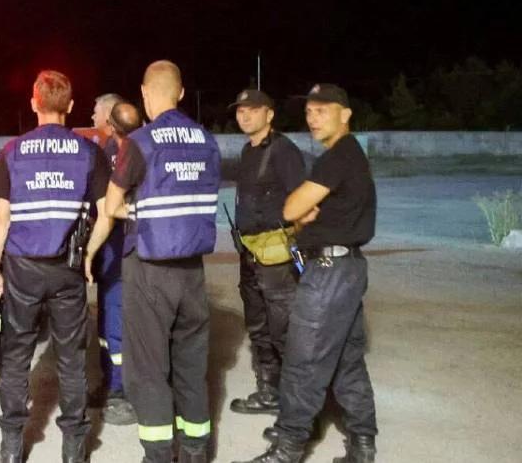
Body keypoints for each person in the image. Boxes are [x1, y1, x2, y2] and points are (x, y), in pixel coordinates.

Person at [234, 84, 378, 463]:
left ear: (345, 114)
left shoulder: (337, 156)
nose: (313, 118)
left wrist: (300, 213)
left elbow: (293, 205)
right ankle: (363, 444)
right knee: (347, 361)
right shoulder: (348, 154)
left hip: (329, 271)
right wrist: (304, 216)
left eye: (322, 110)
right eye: (310, 112)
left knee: (302, 360)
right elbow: (302, 211)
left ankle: (288, 446)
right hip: (347, 267)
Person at [0, 70, 116, 463]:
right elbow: (107, 212)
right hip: (68, 270)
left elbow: (0, 218)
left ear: (34, 103)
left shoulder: (12, 151)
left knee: (16, 353)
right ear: (71, 107)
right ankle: (74, 447)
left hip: (22, 267)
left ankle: (12, 445)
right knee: (71, 357)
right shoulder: (88, 152)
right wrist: (91, 252)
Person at [103, 60, 220, 463]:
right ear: (182, 93)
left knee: (149, 369)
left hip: (150, 270)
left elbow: (113, 205)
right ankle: (195, 451)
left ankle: (157, 455)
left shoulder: (140, 142)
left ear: (145, 92)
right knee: (191, 366)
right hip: (193, 272)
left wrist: (140, 210)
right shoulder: (207, 140)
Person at [228, 90, 306, 418]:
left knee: (285, 332)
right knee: (259, 328)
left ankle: (298, 411)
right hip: (251, 254)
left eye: (252, 110)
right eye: (240, 111)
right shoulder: (248, 152)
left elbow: (303, 203)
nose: (244, 116)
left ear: (269, 114)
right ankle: (269, 393)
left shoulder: (284, 151)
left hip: (277, 260)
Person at [87, 99, 141, 426]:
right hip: (108, 243)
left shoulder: (129, 149)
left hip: (123, 242)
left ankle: (123, 390)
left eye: (96, 111)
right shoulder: (106, 148)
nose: (92, 116)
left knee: (119, 317)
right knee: (107, 318)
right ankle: (110, 381)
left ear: (109, 116)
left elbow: (114, 205)